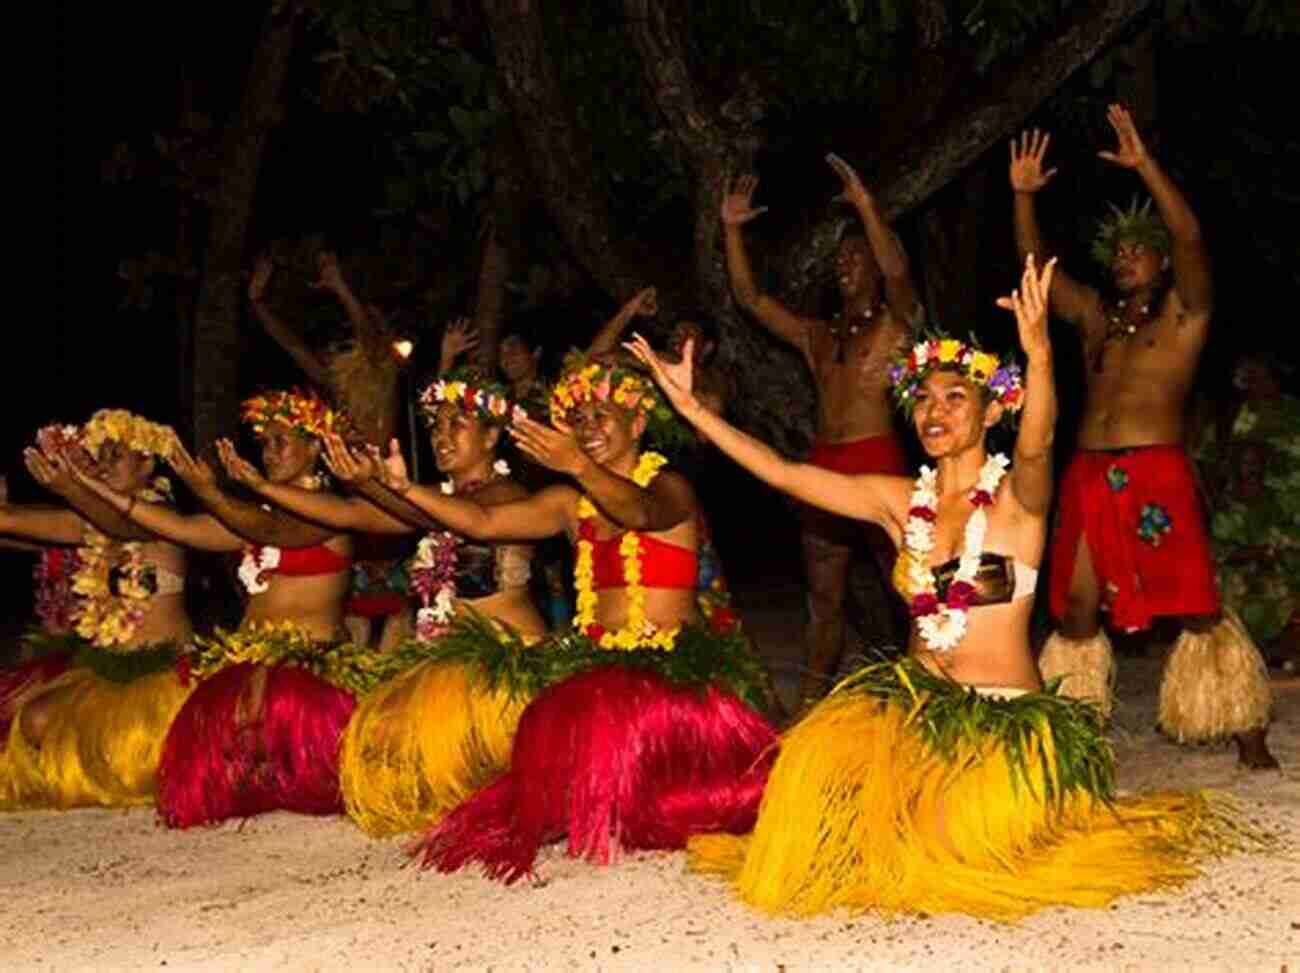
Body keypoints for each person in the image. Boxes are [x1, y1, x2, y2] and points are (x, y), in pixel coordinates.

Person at [629, 254, 1254, 920]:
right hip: (913, 715)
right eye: (924, 397)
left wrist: (1039, 355)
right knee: (817, 799)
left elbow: (1040, 441)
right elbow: (784, 472)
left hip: (999, 723)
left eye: (956, 396)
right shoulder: (899, 501)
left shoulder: (1019, 498)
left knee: (950, 842)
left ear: (991, 413)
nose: (934, 409)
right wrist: (694, 409)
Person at [340, 351, 776, 882]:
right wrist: (403, 489)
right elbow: (482, 520)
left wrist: (577, 463)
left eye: (602, 417)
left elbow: (639, 514)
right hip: (600, 665)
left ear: (638, 423)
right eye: (579, 419)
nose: (587, 429)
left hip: (671, 674)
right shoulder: (573, 504)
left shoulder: (669, 487)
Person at [1010, 107, 1274, 767]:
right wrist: (1022, 199)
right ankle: (1074, 721)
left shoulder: (1187, 312)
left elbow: (1190, 237)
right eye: (1118, 252)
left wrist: (1146, 167)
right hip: (1089, 472)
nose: (1126, 259)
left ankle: (1245, 724)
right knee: (1074, 605)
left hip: (1156, 471)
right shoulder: (1098, 318)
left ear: (1160, 262)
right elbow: (1037, 270)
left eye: (1138, 249)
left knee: (1194, 606)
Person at [231, 368, 546, 836]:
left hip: (503, 662)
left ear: (492, 436)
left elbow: (474, 521)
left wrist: (388, 487)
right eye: (435, 426)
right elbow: (352, 514)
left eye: (455, 425)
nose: (440, 436)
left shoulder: (506, 495)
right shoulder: (442, 498)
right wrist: (358, 485)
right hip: (449, 661)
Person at [67, 390, 361, 826]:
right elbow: (186, 528)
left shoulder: (331, 514)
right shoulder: (255, 516)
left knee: (259, 706)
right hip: (247, 660)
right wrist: (90, 487)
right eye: (264, 443)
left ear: (315, 447)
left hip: (307, 667)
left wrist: (213, 492)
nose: (269, 452)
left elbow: (272, 529)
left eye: (281, 441)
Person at [722, 154, 922, 705]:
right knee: (823, 596)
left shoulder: (894, 323)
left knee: (911, 588)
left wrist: (866, 208)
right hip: (825, 462)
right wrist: (732, 231)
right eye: (840, 259)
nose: (844, 265)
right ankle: (812, 704)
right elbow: (751, 300)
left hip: (878, 459)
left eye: (856, 256)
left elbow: (901, 273)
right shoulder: (818, 335)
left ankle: (924, 693)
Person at [0, 411, 195, 809]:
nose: (104, 463)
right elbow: (64, 523)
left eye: (115, 454)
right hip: (108, 670)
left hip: (161, 676)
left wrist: (71, 487)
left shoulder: (164, 515)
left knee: (113, 742)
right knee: (34, 718)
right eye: (100, 455)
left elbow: (119, 525)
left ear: (148, 463)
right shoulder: (99, 521)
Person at [250, 251, 414, 653]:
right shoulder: (335, 387)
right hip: (350, 502)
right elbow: (293, 348)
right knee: (354, 617)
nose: (351, 342)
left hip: (384, 498)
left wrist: (341, 288)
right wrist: (258, 306)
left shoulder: (384, 373)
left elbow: (371, 342)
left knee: (396, 617)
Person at [1193, 354, 1300, 671]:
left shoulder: (1293, 412)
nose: (1248, 377)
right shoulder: (1229, 417)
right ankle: (1236, 647)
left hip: (1290, 520)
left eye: (1257, 370)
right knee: (1229, 577)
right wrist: (1216, 505)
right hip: (1239, 517)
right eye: (1243, 372)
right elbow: (1206, 466)